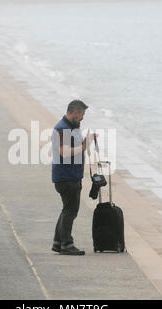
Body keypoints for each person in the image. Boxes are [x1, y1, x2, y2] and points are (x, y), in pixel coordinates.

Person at [51, 100, 96, 256]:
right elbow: (64, 152)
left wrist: (86, 141)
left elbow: (74, 147)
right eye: (82, 114)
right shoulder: (63, 129)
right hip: (66, 177)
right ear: (75, 113)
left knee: (67, 210)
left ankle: (58, 243)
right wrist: (84, 146)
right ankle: (66, 244)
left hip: (69, 176)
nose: (83, 118)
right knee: (70, 211)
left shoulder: (71, 127)